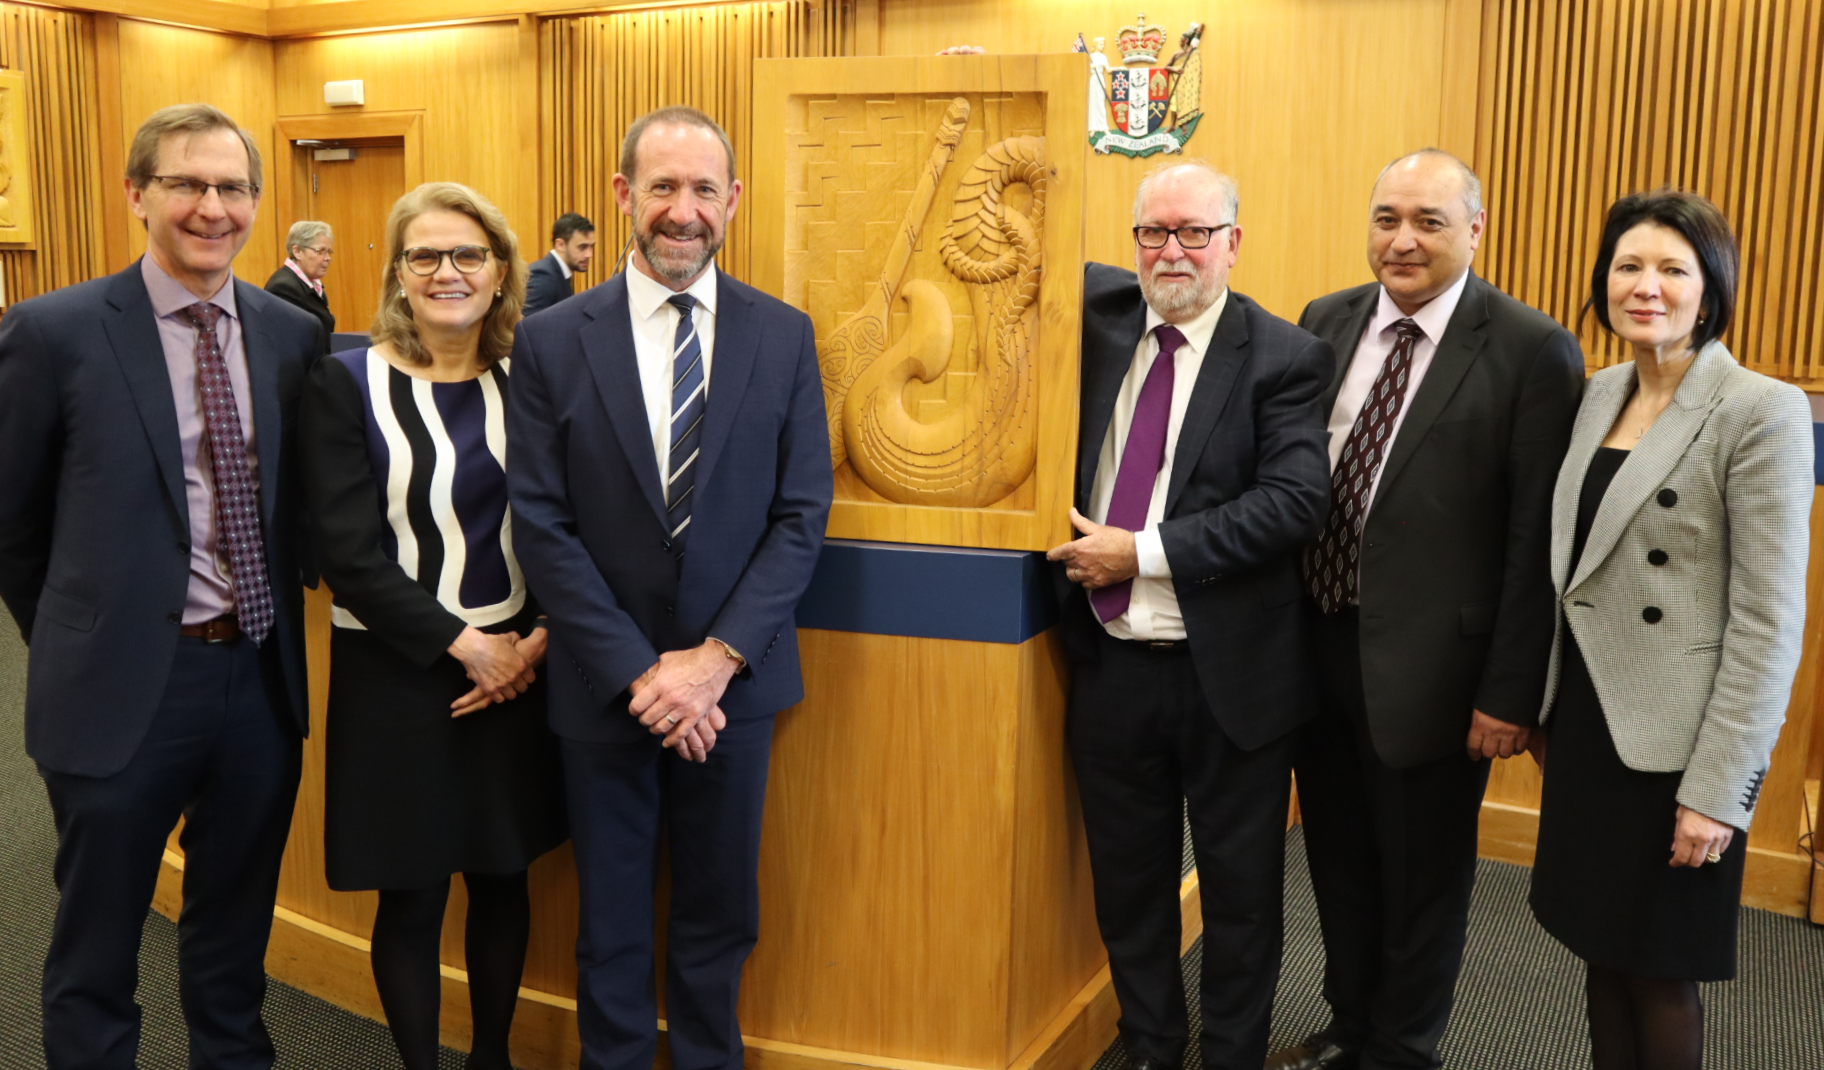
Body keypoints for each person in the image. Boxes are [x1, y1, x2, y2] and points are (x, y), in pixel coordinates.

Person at [505, 106, 831, 1070]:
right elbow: (543, 524)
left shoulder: (784, 335)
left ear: (732, 201)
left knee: (720, 915)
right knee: (609, 925)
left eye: (702, 191)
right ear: (622, 198)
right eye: (661, 188)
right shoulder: (555, 338)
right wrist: (645, 675)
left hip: (734, 693)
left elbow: (800, 517)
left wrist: (713, 664)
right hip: (607, 692)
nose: (681, 212)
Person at [0, 103, 320, 1069]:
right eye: (186, 183)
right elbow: (12, 524)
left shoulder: (287, 333)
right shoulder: (50, 331)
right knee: (96, 949)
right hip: (116, 690)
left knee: (232, 941)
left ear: (257, 203)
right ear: (137, 193)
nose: (210, 207)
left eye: (231, 187)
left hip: (258, 683)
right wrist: (83, 629)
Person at [1271, 149, 1585, 1070]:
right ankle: (1349, 1023)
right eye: (1386, 218)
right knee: (1336, 855)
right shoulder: (1323, 323)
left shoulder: (1532, 348)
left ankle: (1402, 1047)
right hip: (1316, 643)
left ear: (1474, 231)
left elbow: (1537, 543)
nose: (1401, 240)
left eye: (1429, 221)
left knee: (1422, 875)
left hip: (1440, 674)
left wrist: (1511, 692)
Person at [1046, 161, 1332, 1070]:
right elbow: (1020, 241)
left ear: (1233, 244)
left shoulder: (1286, 356)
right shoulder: (1093, 322)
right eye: (1153, 233)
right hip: (1108, 666)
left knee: (1241, 894)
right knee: (1128, 885)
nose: (1171, 251)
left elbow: (1294, 503)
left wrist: (1142, 552)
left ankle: (1233, 1057)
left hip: (1232, 679)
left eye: (1194, 233)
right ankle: (1149, 1044)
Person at [1528, 189, 1811, 1070]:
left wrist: (1719, 789)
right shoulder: (1597, 391)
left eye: (1672, 270)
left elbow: (1769, 621)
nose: (1645, 286)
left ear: (1710, 287)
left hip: (1677, 751)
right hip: (1588, 727)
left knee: (1660, 973)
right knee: (1601, 950)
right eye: (1628, 266)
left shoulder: (1759, 408)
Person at [301, 181, 567, 1070]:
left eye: (468, 254)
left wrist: (530, 642)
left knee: (502, 877)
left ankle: (490, 1058)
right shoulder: (345, 383)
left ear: (500, 273)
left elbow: (570, 520)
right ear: (399, 274)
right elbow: (346, 549)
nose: (447, 271)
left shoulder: (532, 377)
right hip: (397, 674)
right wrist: (469, 646)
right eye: (426, 255)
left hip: (520, 667)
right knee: (411, 898)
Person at [265, 220, 336, 348]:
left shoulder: (314, 285)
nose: (327, 258)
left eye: (329, 252)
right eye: (320, 251)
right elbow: (289, 343)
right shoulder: (283, 287)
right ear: (297, 251)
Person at [523, 212, 595, 315]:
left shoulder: (560, 274)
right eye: (582, 247)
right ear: (560, 245)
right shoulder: (543, 276)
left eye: (591, 247)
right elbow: (528, 325)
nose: (589, 254)